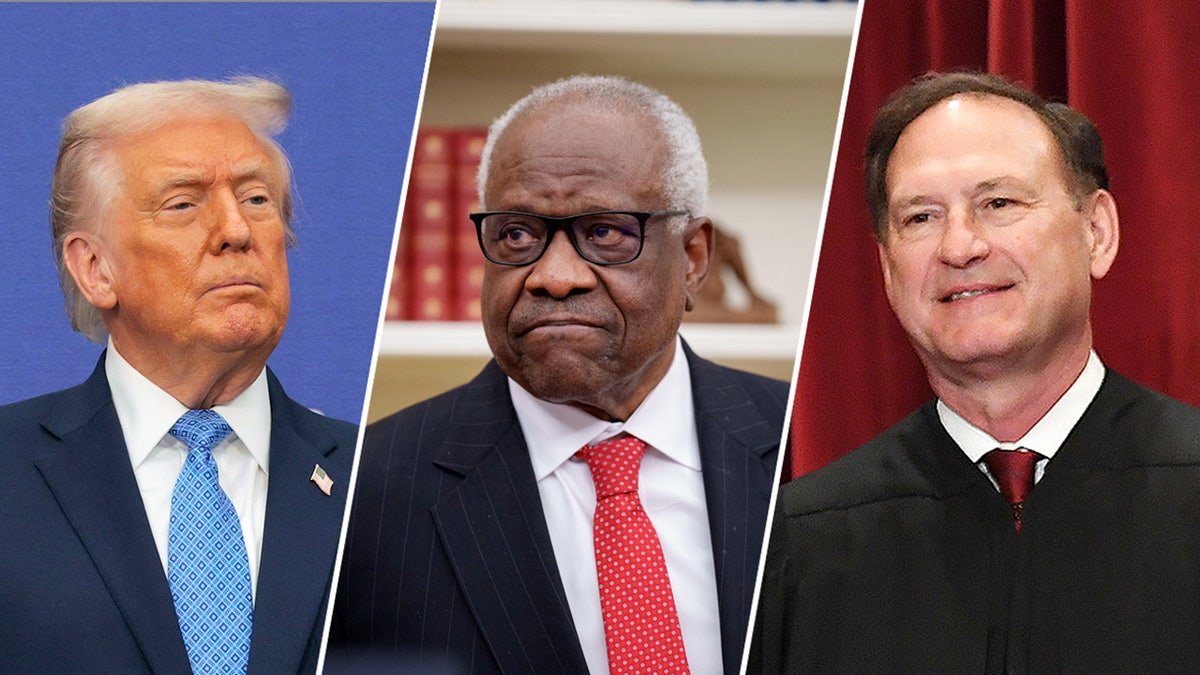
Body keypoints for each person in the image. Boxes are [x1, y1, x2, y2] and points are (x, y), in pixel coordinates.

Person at [331, 75, 788, 674]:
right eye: (517, 235)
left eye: (605, 232)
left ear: (692, 260)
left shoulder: (807, 445)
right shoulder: (363, 495)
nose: (556, 275)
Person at [750, 71, 1200, 673]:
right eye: (921, 217)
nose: (959, 247)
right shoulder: (796, 544)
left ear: (1097, 233)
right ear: (887, 268)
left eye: (998, 202)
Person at [0, 77, 357, 673]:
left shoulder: (379, 481)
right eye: (183, 203)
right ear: (95, 269)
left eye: (256, 199)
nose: (237, 231)